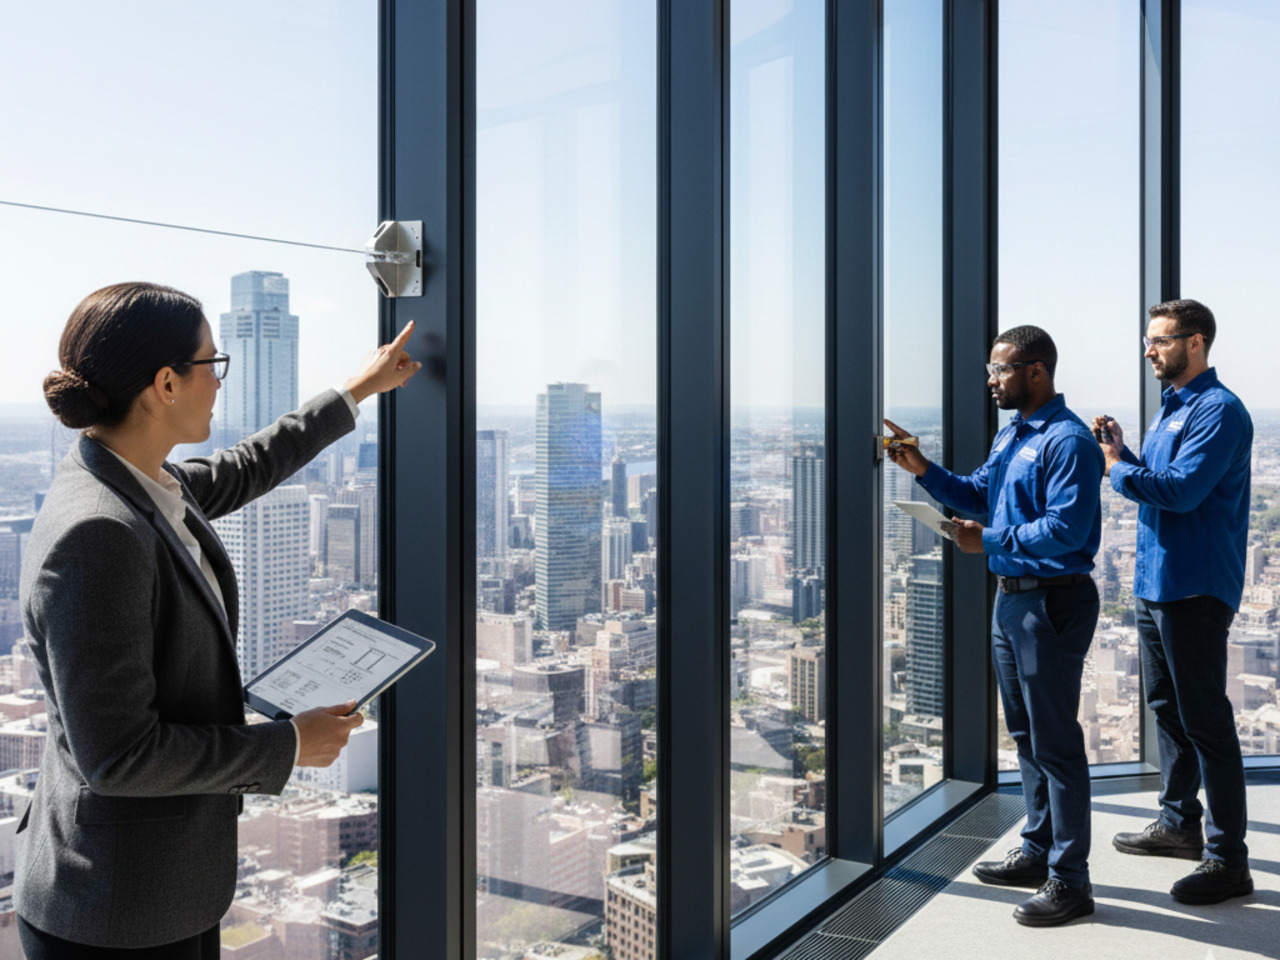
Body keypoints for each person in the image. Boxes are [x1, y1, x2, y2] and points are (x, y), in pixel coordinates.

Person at [16, 282, 421, 958]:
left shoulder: (143, 481)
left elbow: (248, 466)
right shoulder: (97, 532)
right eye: (213, 365)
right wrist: (287, 746)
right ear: (166, 385)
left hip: (165, 891)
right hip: (115, 913)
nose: (219, 383)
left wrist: (358, 389)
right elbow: (117, 756)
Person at [885, 325, 1104, 927]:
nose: (990, 381)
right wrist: (922, 467)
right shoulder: (1014, 436)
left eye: (1000, 370)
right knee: (1028, 738)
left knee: (1057, 744)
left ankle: (1071, 880)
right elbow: (978, 495)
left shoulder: (1068, 441)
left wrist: (991, 540)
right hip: (1011, 601)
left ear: (1036, 371)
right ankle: (1038, 849)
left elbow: (1066, 527)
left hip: (1053, 603)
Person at [1094, 298, 1253, 905]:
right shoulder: (1170, 411)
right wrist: (1125, 452)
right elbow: (1158, 489)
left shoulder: (1220, 411)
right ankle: (1180, 822)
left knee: (1207, 722)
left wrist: (1114, 467)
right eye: (1147, 340)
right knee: (1167, 707)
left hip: (1195, 586)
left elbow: (1183, 493)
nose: (1148, 350)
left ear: (1195, 343)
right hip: (1156, 583)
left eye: (1159, 340)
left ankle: (1228, 860)